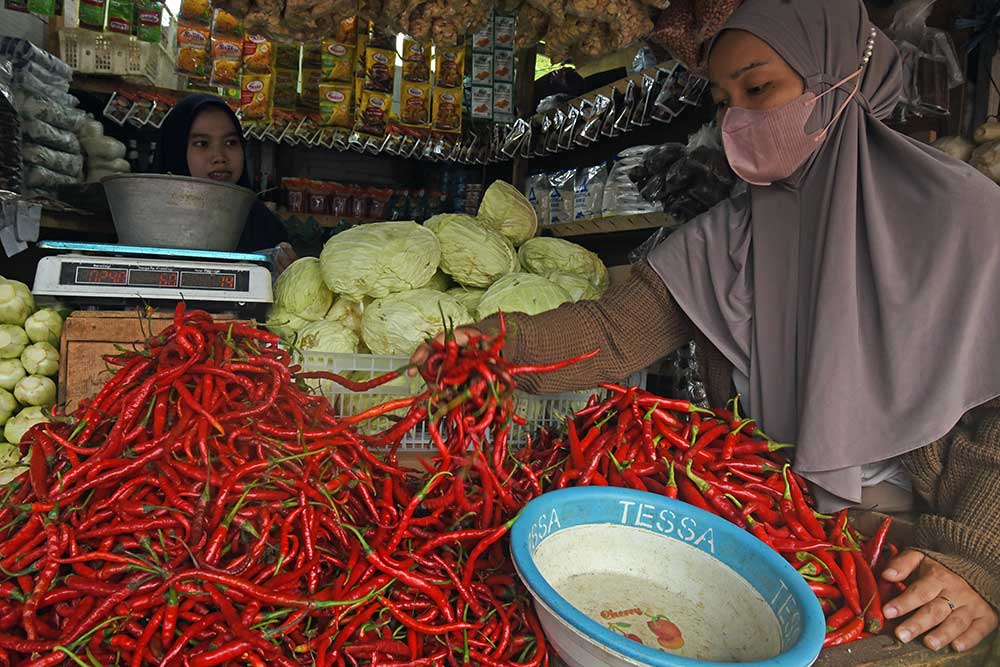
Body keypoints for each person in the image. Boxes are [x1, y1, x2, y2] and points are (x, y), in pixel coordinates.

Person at [414, 0, 1000, 653]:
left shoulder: (965, 221)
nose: (738, 121)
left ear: (837, 74)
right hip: (776, 543)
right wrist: (501, 342)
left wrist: (977, 558)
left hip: (923, 573)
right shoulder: (730, 237)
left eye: (758, 89)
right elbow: (612, 333)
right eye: (725, 100)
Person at [156, 93, 297, 274]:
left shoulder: (264, 226)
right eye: (202, 143)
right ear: (176, 151)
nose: (219, 157)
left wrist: (287, 270)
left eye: (231, 142)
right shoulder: (149, 224)